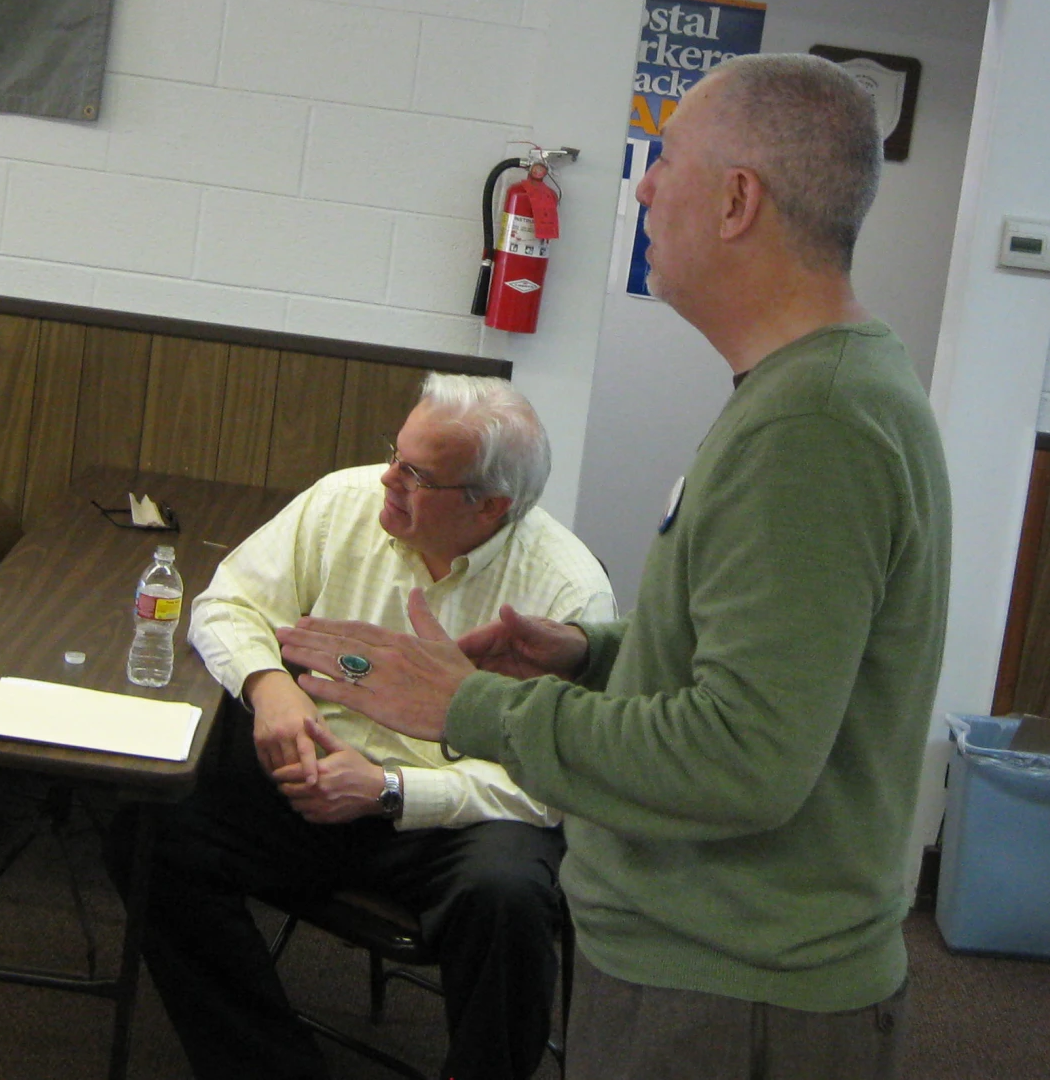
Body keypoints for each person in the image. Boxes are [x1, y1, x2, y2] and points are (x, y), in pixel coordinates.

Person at [278, 53, 952, 1080]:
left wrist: (467, 708)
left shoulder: (815, 423)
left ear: (735, 201)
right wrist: (591, 655)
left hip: (732, 995)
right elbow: (780, 659)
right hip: (716, 974)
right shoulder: (815, 392)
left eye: (663, 158)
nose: (641, 185)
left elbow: (741, 758)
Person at [126, 373, 616, 1080]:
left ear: (490, 506)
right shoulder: (343, 500)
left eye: (415, 474)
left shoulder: (566, 589)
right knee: (150, 826)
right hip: (314, 768)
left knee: (511, 897)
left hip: (450, 814)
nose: (387, 477)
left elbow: (553, 780)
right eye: (395, 452)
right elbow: (226, 604)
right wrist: (271, 691)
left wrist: (390, 789)